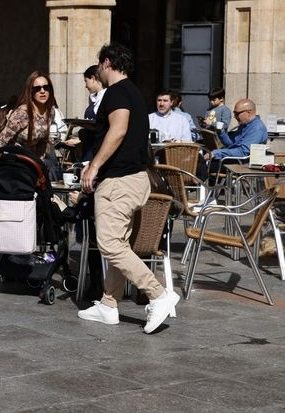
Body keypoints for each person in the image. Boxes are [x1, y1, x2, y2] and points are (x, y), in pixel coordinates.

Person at [78, 42, 179, 334]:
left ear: (107, 63)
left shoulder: (117, 92)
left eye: (99, 65)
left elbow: (118, 129)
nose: (97, 70)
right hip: (135, 179)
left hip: (119, 182)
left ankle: (158, 294)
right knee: (118, 245)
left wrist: (94, 166)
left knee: (109, 244)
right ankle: (108, 305)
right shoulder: (133, 92)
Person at [0, 71, 56, 158]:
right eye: (37, 88)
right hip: (17, 161)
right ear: (31, 91)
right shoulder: (22, 114)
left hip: (35, 163)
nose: (42, 91)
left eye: (46, 87)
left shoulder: (51, 112)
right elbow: (0, 143)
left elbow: (43, 141)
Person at [204, 98, 268, 163]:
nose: (234, 116)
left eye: (237, 113)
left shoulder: (256, 128)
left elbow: (243, 152)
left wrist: (216, 153)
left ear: (249, 112)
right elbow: (231, 144)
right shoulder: (244, 125)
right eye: (234, 113)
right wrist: (221, 132)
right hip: (234, 160)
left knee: (202, 166)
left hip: (242, 165)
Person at [63, 65, 105, 161]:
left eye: (86, 81)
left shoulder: (107, 96)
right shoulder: (93, 97)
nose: (85, 86)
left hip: (98, 148)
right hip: (89, 146)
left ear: (93, 78)